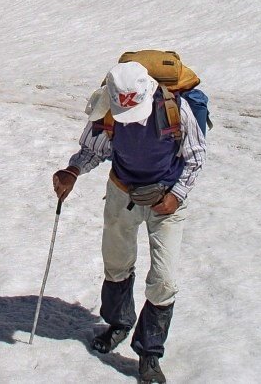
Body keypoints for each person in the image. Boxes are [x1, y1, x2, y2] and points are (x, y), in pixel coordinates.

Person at [53, 61, 206, 384]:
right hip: (122, 192)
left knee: (163, 278)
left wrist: (175, 197)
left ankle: (150, 353)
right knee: (117, 263)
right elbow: (93, 150)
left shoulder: (173, 109)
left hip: (166, 199)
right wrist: (73, 171)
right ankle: (119, 324)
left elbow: (195, 157)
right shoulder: (107, 109)